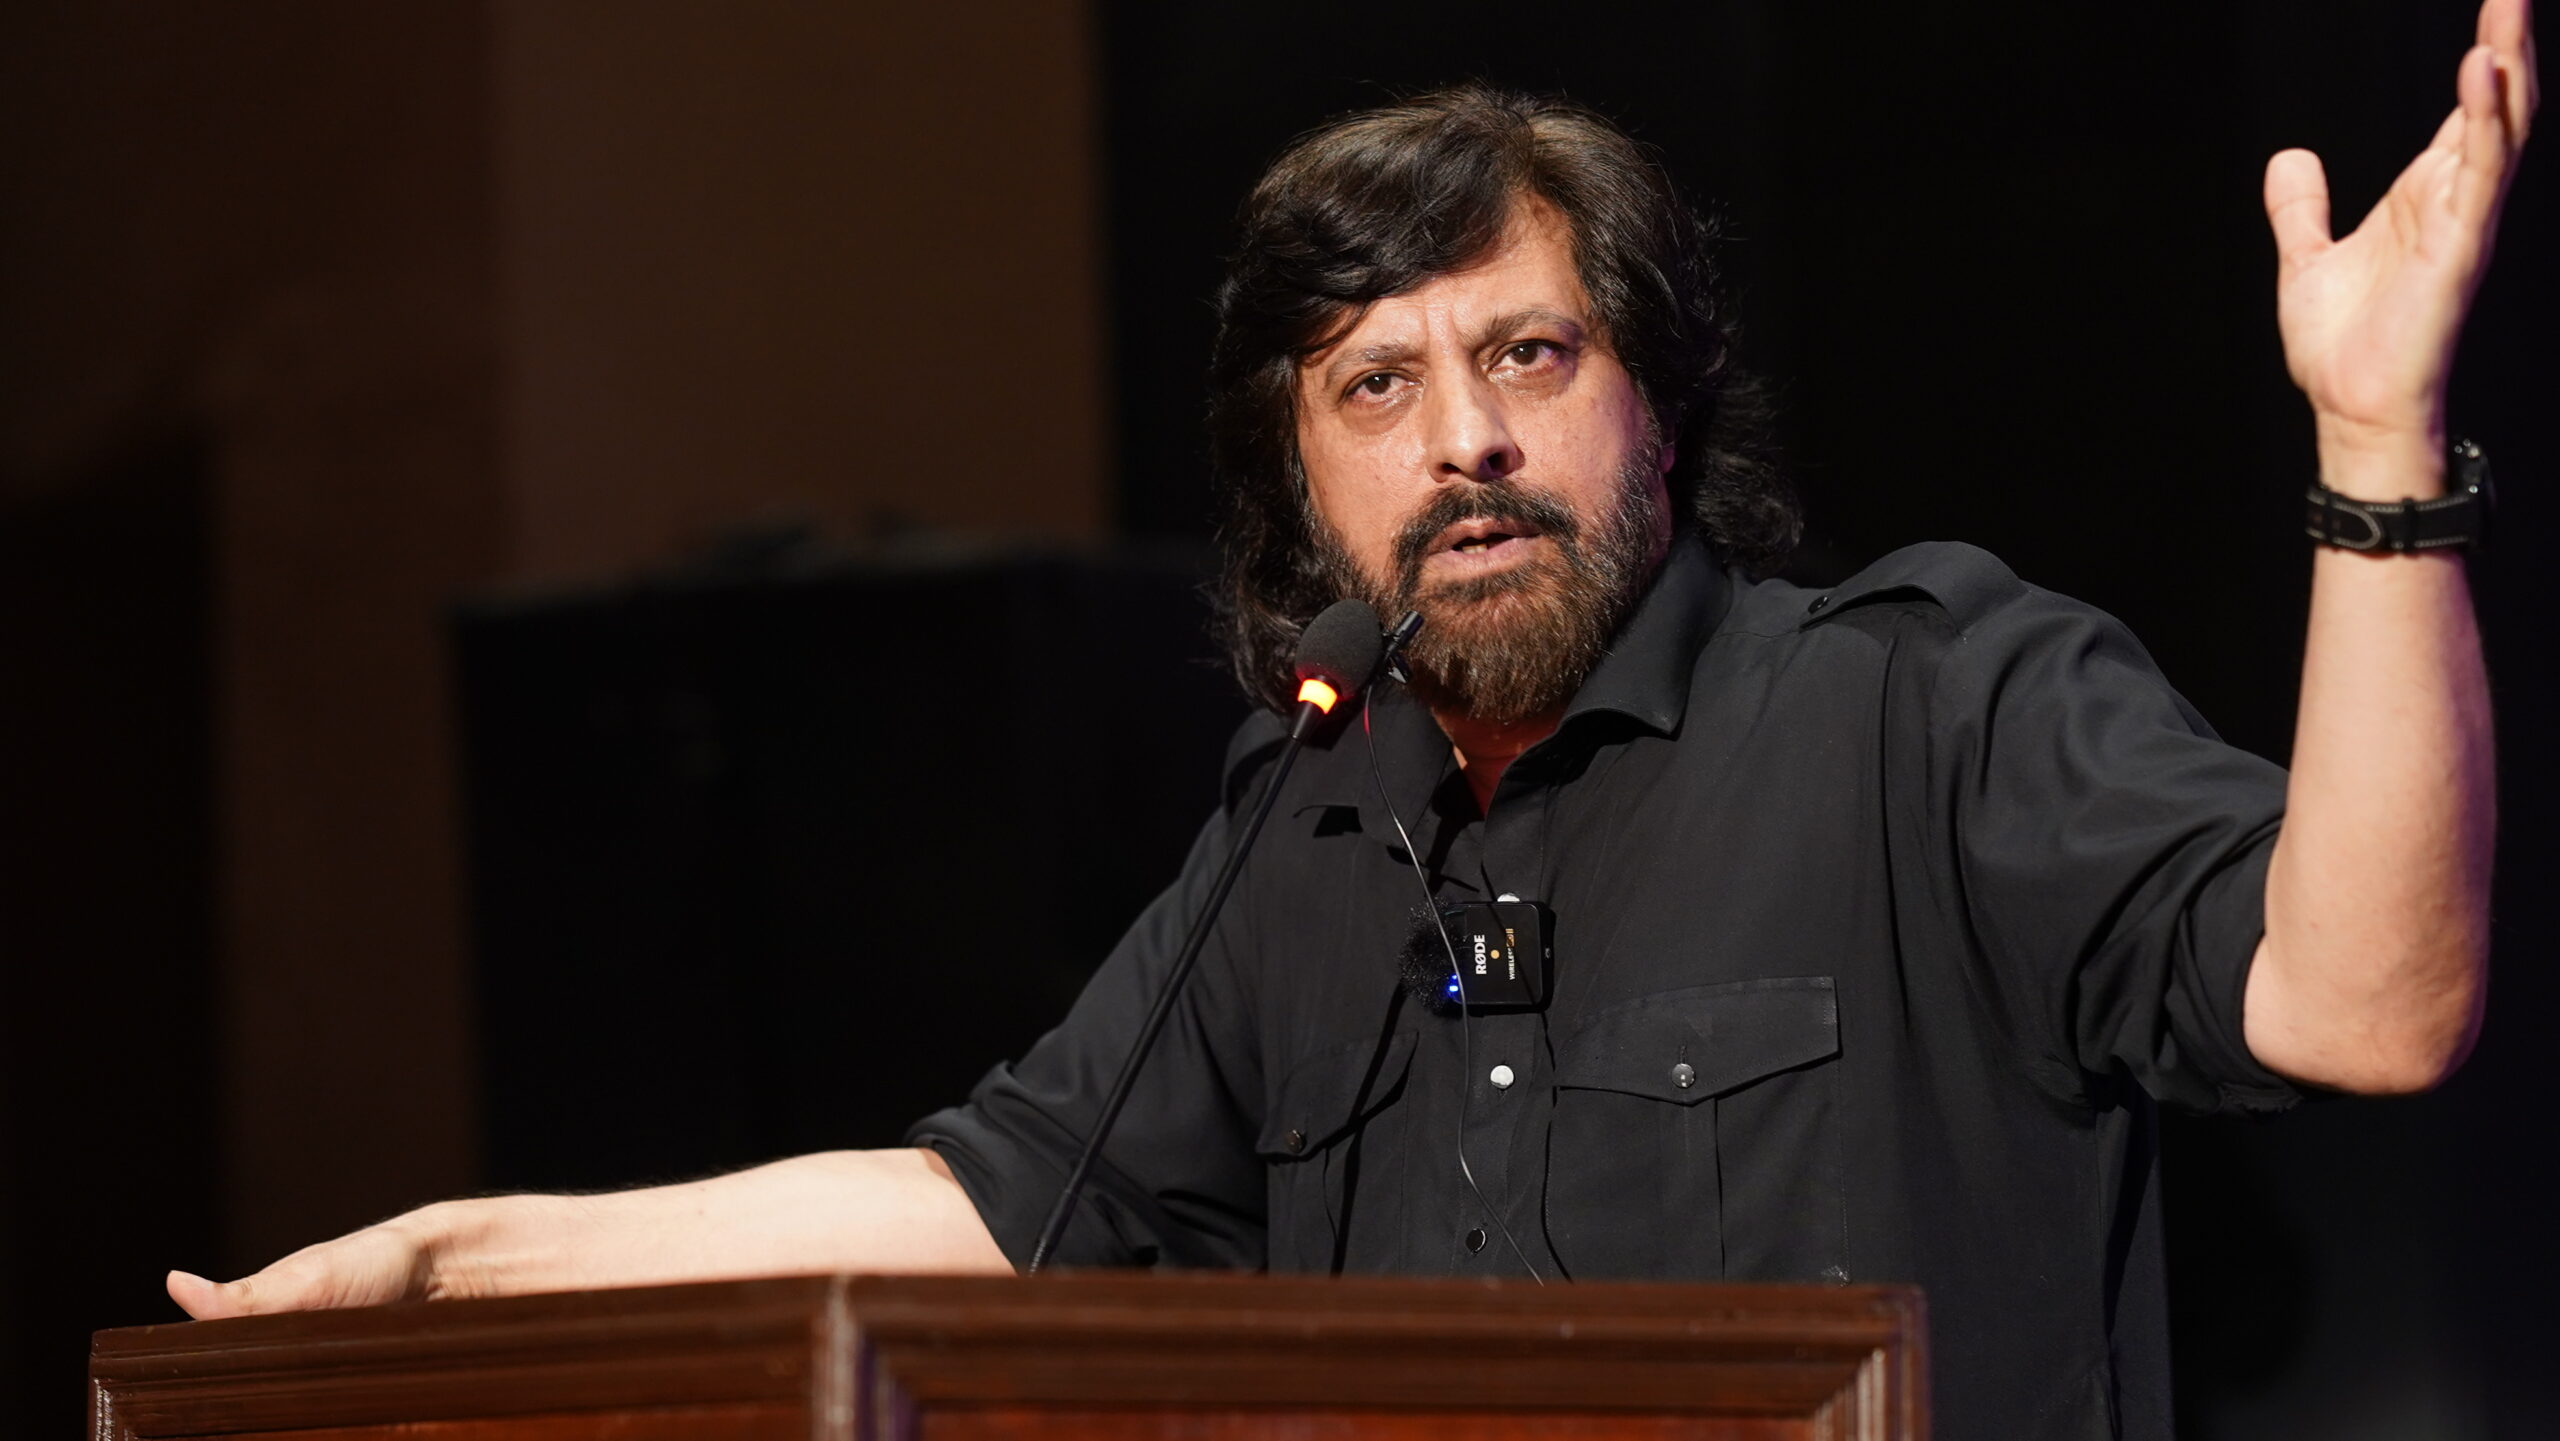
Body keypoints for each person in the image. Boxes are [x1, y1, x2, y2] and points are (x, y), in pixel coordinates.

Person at [169, 4, 2533, 1436]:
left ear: (1654, 401)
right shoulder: (1304, 825)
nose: (1462, 439)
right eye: (1372, 386)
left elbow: (2367, 1001)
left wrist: (2372, 455)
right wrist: (454, 1257)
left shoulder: (1922, 705)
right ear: (1301, 480)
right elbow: (988, 1203)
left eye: (1525, 354)